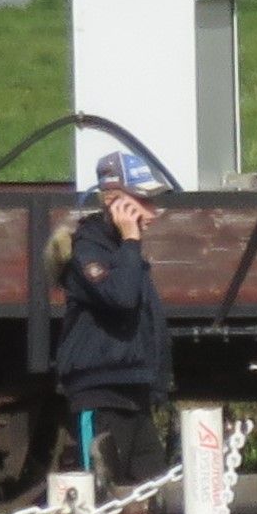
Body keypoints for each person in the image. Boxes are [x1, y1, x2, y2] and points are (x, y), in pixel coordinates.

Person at [56, 149, 174, 495]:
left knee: (158, 500)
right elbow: (120, 299)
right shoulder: (88, 250)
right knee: (100, 499)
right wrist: (131, 240)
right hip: (100, 394)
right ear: (115, 202)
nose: (154, 212)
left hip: (134, 393)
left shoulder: (126, 253)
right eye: (144, 201)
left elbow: (147, 323)